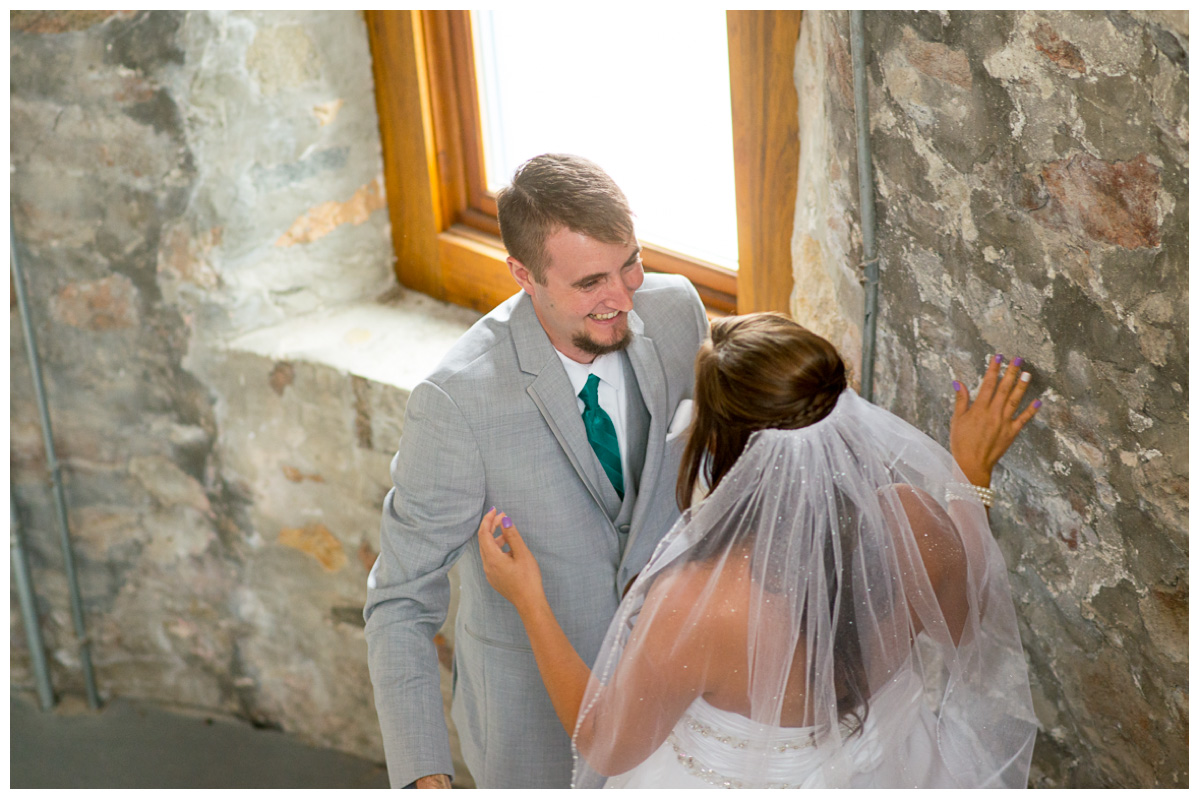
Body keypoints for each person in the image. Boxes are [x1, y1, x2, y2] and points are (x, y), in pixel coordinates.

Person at [478, 313, 1041, 788]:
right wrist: (970, 475)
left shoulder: (700, 603)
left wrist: (529, 599)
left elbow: (606, 746)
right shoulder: (916, 521)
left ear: (722, 447)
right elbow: (968, 622)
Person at [363, 154, 710, 788]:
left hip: (675, 697)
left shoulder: (677, 311)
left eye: (630, 263)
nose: (622, 297)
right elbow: (400, 600)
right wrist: (422, 779)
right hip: (530, 730)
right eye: (590, 284)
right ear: (524, 275)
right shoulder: (455, 403)